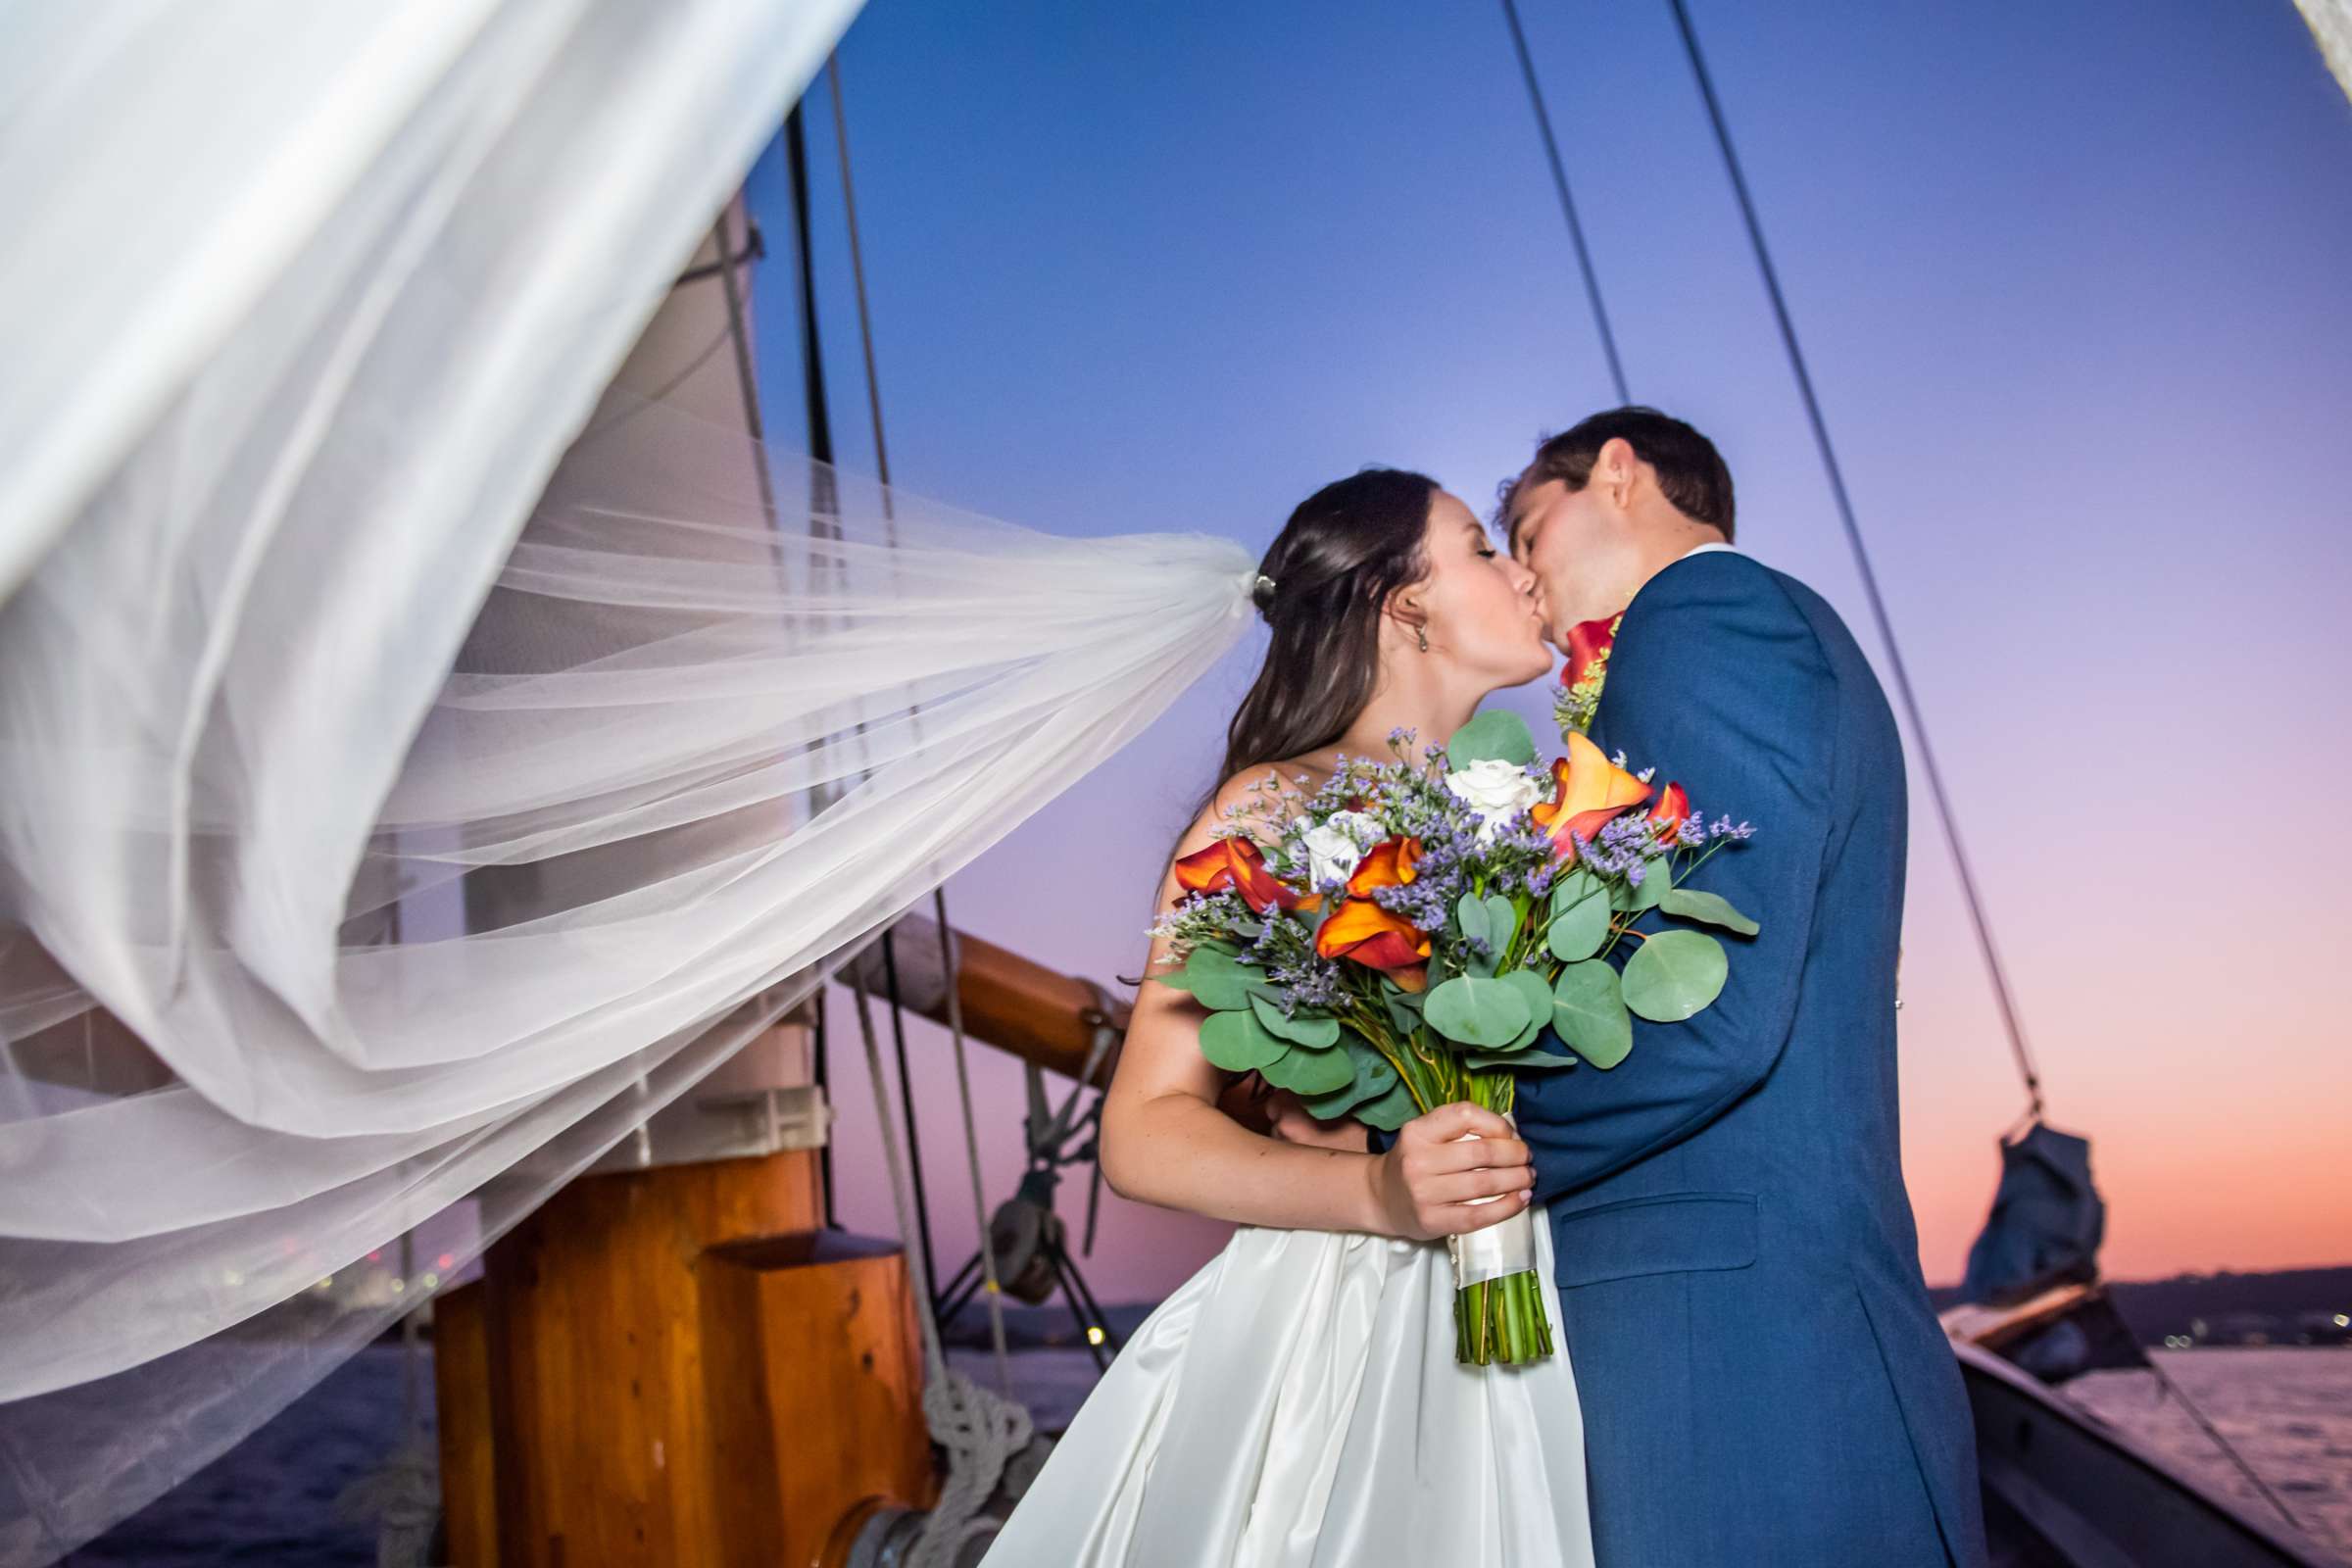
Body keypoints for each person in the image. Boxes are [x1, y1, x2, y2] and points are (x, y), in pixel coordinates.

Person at [979, 468, 1600, 1567]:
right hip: (1350, 1321)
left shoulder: (1527, 813)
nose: (1520, 568)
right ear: (1406, 603)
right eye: (1477, 545)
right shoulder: (1267, 808)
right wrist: (1376, 1190)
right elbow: (1143, 1131)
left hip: (1531, 1299)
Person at [1489, 407, 1988, 1565]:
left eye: (1525, 531)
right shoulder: (1727, 637)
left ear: (1617, 474)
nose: (1524, 577)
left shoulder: (1706, 622)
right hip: (1733, 1335)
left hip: (1737, 1360)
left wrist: (1483, 1146)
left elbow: (1707, 1013)